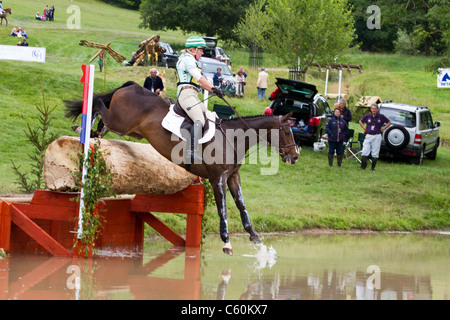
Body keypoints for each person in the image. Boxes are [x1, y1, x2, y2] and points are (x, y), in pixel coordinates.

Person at [176, 36, 223, 163]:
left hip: (194, 95)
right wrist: (214, 89)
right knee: (199, 120)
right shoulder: (187, 59)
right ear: (192, 49)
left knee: (211, 116)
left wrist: (216, 90)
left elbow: (202, 83)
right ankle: (191, 151)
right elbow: (200, 79)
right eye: (200, 50)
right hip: (186, 94)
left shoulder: (193, 61)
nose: (202, 53)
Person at [359, 103, 392, 171]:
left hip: (377, 135)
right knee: (365, 150)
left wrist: (383, 128)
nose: (373, 110)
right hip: (368, 135)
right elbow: (360, 121)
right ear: (370, 109)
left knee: (375, 152)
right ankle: (363, 167)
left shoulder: (381, 116)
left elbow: (389, 122)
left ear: (377, 109)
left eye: (375, 109)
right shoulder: (367, 116)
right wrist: (364, 127)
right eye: (372, 108)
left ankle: (372, 168)